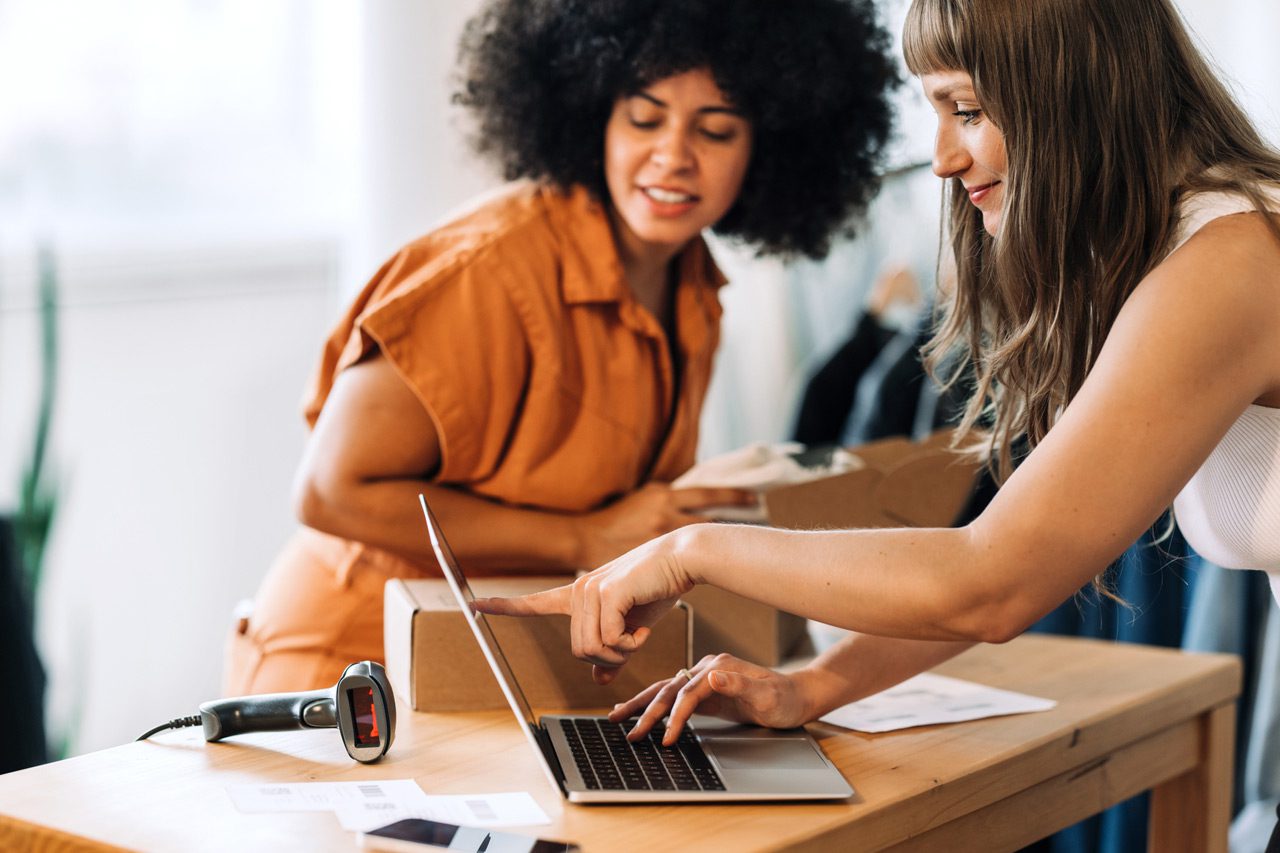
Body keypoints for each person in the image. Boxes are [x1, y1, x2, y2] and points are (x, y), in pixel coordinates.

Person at [476, 0, 1280, 771]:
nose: (941, 157)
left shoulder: (1230, 262)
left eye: (966, 109)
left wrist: (690, 551)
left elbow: (992, 582)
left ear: (1074, 92)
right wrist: (811, 687)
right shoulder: (1180, 250)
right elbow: (1012, 550)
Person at [223, 0, 899, 695]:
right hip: (348, 669)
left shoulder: (694, 285)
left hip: (493, 675)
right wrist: (585, 536)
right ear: (593, 114)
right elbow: (330, 491)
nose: (673, 155)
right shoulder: (486, 269)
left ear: (769, 147)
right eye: (644, 117)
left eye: (717, 130)